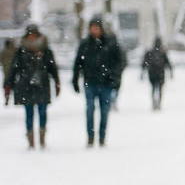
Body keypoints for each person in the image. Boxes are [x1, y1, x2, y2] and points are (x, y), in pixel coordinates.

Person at [3, 24, 61, 149]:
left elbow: (53, 68)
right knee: (29, 113)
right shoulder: (21, 51)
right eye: (30, 35)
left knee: (42, 112)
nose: (32, 38)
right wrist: (8, 85)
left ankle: (42, 136)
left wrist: (57, 82)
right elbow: (13, 69)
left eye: (34, 35)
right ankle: (30, 139)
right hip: (26, 86)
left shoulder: (46, 50)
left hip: (42, 85)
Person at [72, 16, 125, 147]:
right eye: (92, 28)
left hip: (106, 83)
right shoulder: (85, 44)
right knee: (90, 110)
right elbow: (78, 62)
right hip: (90, 82)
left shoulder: (111, 43)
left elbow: (120, 61)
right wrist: (75, 79)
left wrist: (114, 75)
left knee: (104, 111)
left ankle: (102, 136)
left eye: (97, 27)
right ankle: (90, 136)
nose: (94, 30)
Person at [141, 37, 173, 111]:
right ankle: (159, 103)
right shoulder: (162, 53)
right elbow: (168, 63)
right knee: (160, 89)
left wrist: (142, 72)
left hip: (152, 73)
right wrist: (171, 72)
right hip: (160, 73)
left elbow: (144, 63)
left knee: (153, 88)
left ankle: (153, 102)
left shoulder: (150, 52)